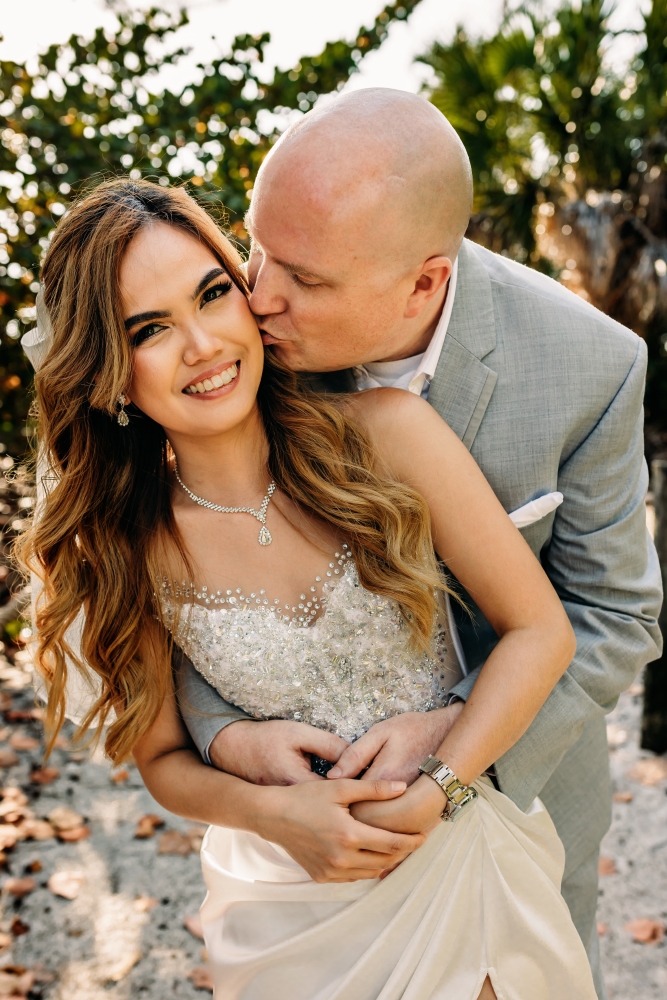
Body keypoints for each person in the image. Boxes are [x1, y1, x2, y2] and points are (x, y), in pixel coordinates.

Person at [18, 177, 600, 1000]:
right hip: (289, 904)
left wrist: (440, 786)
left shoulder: (388, 434)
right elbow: (163, 761)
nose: (202, 344)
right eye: (149, 329)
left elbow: (540, 631)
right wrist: (272, 815)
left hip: (461, 859)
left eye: (212, 293)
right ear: (108, 373)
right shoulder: (125, 546)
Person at [171, 89, 663, 1000]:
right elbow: (194, 589)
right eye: (254, 247)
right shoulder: (239, 350)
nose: (257, 295)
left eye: (303, 279)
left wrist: (456, 737)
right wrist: (230, 739)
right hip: (309, 840)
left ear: (425, 284)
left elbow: (615, 615)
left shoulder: (593, 366)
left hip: (525, 789)